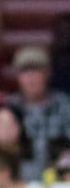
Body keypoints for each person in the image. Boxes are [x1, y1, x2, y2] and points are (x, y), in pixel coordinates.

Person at [7, 44, 70, 172]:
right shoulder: (9, 107)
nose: (30, 78)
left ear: (47, 73)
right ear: (17, 76)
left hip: (61, 177)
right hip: (18, 179)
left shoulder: (65, 105)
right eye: (25, 71)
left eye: (36, 71)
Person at [0, 103, 41, 183]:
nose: (6, 129)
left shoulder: (34, 158)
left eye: (11, 123)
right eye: (1, 123)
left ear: (20, 127)